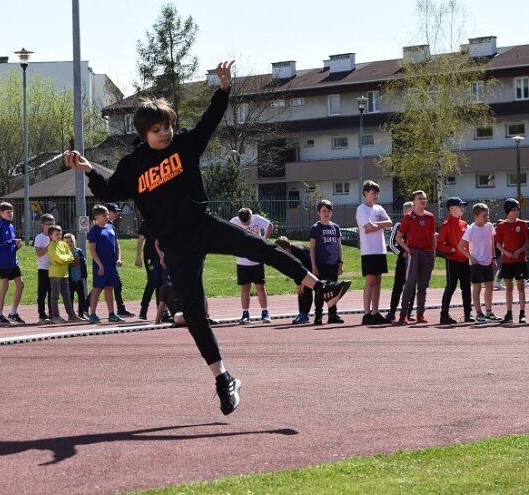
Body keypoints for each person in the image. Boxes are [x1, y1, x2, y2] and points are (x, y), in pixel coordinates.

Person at [64, 60, 350, 415]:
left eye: (167, 126)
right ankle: (223, 377)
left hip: (202, 224)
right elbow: (110, 190)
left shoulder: (184, 146)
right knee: (194, 313)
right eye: (156, 130)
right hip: (175, 244)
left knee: (259, 247)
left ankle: (319, 286)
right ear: (143, 133)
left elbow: (209, 121)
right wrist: (88, 168)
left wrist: (224, 89)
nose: (164, 133)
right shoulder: (132, 166)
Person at [395, 191, 436, 324]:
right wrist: (408, 250)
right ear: (414, 201)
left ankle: (420, 314)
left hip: (427, 253)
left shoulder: (430, 217)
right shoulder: (409, 217)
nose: (423, 200)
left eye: (424, 198)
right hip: (414, 253)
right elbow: (398, 237)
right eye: (420, 198)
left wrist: (433, 252)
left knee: (423, 285)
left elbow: (432, 236)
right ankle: (403, 314)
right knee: (410, 283)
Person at [356, 180, 393, 325]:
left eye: (377, 193)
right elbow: (367, 228)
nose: (376, 195)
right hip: (369, 251)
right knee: (370, 280)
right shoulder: (361, 209)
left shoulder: (379, 209)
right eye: (373, 193)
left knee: (378, 280)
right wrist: (378, 225)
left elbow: (389, 222)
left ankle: (375, 312)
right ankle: (366, 313)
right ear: (366, 193)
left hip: (380, 249)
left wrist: (375, 225)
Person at [230, 207, 274, 324]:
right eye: (243, 222)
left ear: (251, 217)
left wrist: (264, 240)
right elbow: (226, 233)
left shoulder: (257, 219)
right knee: (245, 288)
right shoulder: (234, 221)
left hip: (257, 260)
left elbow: (270, 225)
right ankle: (245, 314)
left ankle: (265, 312)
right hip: (242, 261)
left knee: (260, 287)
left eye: (247, 221)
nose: (245, 223)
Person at [458, 203, 500, 323]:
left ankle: (489, 312)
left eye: (487, 215)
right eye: (484, 216)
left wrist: (493, 258)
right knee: (477, 288)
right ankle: (478, 313)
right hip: (476, 263)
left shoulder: (489, 227)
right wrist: (471, 257)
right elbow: (461, 246)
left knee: (490, 287)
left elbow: (491, 242)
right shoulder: (470, 229)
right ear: (476, 216)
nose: (487, 218)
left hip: (488, 261)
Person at [436, 197, 472, 325]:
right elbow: (439, 244)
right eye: (459, 206)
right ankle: (444, 315)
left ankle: (468, 314)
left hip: (465, 260)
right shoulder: (446, 225)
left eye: (463, 206)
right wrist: (450, 249)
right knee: (451, 287)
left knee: (466, 288)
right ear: (451, 209)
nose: (462, 208)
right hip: (453, 261)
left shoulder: (464, 224)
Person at [310, 199, 346, 325]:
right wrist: (314, 266)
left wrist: (340, 262)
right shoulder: (316, 228)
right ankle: (318, 316)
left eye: (329, 211)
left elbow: (339, 246)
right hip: (321, 264)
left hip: (334, 264)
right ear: (319, 212)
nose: (326, 213)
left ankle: (333, 315)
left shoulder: (335, 227)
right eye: (324, 211)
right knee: (320, 290)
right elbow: (312, 248)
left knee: (334, 290)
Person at [495, 198, 529, 324]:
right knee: (509, 287)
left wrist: (519, 251)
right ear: (507, 211)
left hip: (520, 260)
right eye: (514, 210)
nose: (516, 212)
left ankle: (522, 313)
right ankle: (509, 313)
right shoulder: (501, 225)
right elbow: (498, 244)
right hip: (507, 261)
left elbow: (527, 242)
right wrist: (507, 253)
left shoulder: (522, 224)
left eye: (518, 209)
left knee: (521, 287)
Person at [0, 202, 25, 327]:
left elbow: (9, 245)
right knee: (4, 286)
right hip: (4, 262)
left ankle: (13, 313)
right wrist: (11, 242)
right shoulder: (0, 226)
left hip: (12, 261)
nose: (10, 214)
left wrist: (16, 247)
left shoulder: (11, 226)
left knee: (20, 285)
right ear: (1, 213)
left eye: (11, 211)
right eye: (7, 212)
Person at [87, 204, 122, 323]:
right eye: (104, 215)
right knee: (97, 288)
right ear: (97, 216)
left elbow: (116, 244)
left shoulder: (111, 228)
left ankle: (111, 314)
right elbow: (92, 249)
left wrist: (118, 258)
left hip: (111, 264)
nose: (107, 217)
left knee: (109, 288)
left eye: (107, 214)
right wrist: (100, 264)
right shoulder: (94, 231)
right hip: (100, 264)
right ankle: (92, 314)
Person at [386, 201, 415, 322]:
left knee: (412, 286)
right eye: (410, 211)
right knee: (398, 286)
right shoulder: (398, 225)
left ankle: (409, 311)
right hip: (402, 261)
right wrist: (401, 253)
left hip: (414, 261)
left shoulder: (417, 225)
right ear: (404, 212)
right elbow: (391, 243)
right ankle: (392, 311)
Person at [47, 225, 81, 323]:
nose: (59, 236)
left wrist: (65, 259)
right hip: (55, 275)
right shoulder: (51, 246)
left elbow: (71, 256)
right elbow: (59, 259)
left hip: (64, 274)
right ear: (50, 236)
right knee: (55, 296)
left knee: (67, 296)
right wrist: (66, 259)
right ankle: (55, 316)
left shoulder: (64, 244)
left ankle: (71, 315)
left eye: (60, 233)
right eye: (56, 234)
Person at [275, 236, 313, 325]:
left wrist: (304, 282)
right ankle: (301, 313)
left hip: (313, 267)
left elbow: (307, 267)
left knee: (307, 289)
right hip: (304, 271)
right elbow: (295, 271)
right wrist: (299, 284)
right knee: (300, 291)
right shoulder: (289, 255)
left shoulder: (298, 251)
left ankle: (305, 314)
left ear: (287, 248)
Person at [106, 202, 134, 317]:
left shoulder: (111, 225)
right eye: (115, 212)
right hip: (106, 261)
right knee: (102, 286)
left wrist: (118, 258)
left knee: (115, 284)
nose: (117, 214)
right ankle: (85, 307)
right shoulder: (104, 226)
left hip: (112, 261)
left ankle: (121, 308)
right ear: (107, 212)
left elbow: (116, 244)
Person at [135, 219, 165, 321]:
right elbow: (140, 240)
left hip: (162, 255)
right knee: (152, 281)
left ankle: (161, 310)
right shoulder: (147, 222)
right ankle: (144, 309)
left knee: (161, 282)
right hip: (150, 255)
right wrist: (138, 257)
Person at [34, 213, 55, 324]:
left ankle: (53, 314)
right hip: (43, 268)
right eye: (48, 224)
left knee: (53, 293)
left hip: (54, 268)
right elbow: (39, 253)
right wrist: (49, 245)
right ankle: (42, 314)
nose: (51, 226)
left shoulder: (56, 236)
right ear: (43, 225)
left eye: (53, 224)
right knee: (42, 292)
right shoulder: (40, 237)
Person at [64, 233, 89, 319]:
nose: (70, 243)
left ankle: (81, 313)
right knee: (70, 297)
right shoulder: (65, 252)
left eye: (71, 241)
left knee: (82, 297)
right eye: (67, 242)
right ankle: (71, 315)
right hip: (70, 279)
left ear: (75, 241)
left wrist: (84, 274)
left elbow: (83, 263)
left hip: (79, 278)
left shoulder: (79, 251)